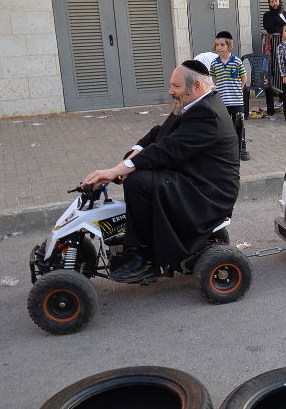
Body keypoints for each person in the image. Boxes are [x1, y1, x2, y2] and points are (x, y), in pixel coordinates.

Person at [81, 60, 239, 283]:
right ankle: (141, 237)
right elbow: (159, 134)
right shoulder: (194, 104)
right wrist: (123, 164)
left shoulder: (207, 114)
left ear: (196, 87)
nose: (170, 91)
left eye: (176, 86)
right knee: (136, 173)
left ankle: (144, 256)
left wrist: (120, 171)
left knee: (139, 181)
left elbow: (166, 150)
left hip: (207, 193)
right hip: (195, 180)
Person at [209, 31, 249, 161]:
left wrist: (239, 87)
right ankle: (226, 149)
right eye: (217, 45)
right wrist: (221, 88)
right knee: (224, 125)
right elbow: (213, 78)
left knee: (239, 124)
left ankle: (241, 148)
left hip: (236, 100)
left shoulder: (236, 61)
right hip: (222, 101)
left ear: (229, 47)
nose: (219, 47)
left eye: (222, 45)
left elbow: (244, 77)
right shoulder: (215, 63)